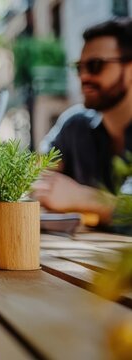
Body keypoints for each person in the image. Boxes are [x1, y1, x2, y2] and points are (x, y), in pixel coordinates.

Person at [34, 18, 132, 227]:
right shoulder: (74, 126)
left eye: (96, 65)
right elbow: (38, 176)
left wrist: (85, 199)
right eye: (79, 67)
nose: (84, 76)